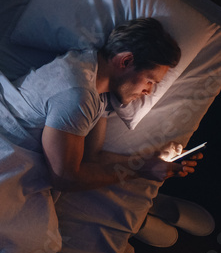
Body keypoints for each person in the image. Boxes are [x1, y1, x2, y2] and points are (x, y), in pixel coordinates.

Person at [16, 18, 201, 191]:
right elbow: (65, 178)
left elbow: (92, 157)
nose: (149, 92)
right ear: (126, 61)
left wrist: (152, 161)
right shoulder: (79, 94)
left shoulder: (99, 90)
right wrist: (140, 171)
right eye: (150, 81)